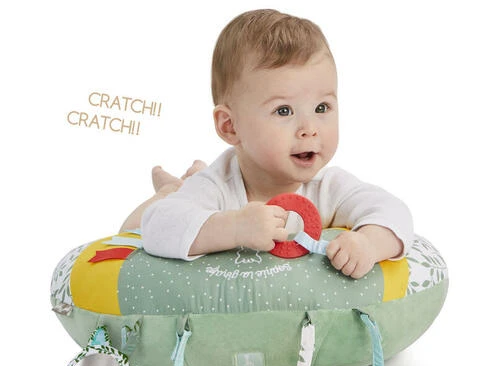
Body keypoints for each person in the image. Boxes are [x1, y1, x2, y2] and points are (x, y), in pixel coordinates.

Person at [121, 9, 413, 279]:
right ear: (230, 126)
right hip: (192, 193)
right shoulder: (216, 186)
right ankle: (172, 188)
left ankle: (185, 181)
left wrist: (368, 243)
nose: (309, 129)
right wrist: (234, 227)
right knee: (157, 208)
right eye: (283, 111)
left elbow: (394, 212)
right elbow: (155, 227)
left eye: (322, 107)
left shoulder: (329, 187)